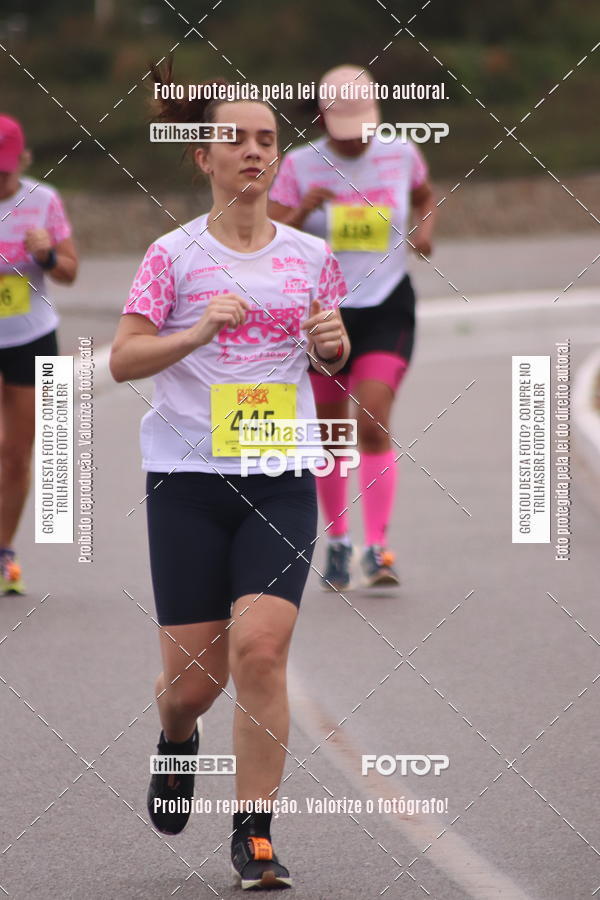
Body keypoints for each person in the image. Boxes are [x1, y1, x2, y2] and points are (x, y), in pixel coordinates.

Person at [109, 66, 349, 891]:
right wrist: (196, 330)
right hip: (187, 480)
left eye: (267, 140)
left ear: (279, 158)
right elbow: (123, 358)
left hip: (280, 474)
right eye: (235, 139)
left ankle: (254, 832)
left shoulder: (312, 256)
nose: (253, 151)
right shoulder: (171, 256)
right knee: (191, 687)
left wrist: (330, 346)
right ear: (203, 157)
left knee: (260, 651)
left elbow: (332, 350)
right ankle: (176, 739)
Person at [269, 65, 437, 592]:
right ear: (322, 117)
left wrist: (423, 233)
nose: (357, 137)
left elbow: (426, 195)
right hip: (323, 313)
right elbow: (267, 237)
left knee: (372, 418)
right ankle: (338, 543)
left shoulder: (401, 153)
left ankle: (378, 548)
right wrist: (301, 212)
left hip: (387, 304)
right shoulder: (298, 166)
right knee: (332, 433)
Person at [0, 115, 78, 595]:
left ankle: (5, 552)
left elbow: (70, 272)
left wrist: (47, 255)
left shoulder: (42, 201)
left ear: (22, 160)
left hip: (31, 339)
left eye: (4, 171)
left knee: (15, 455)